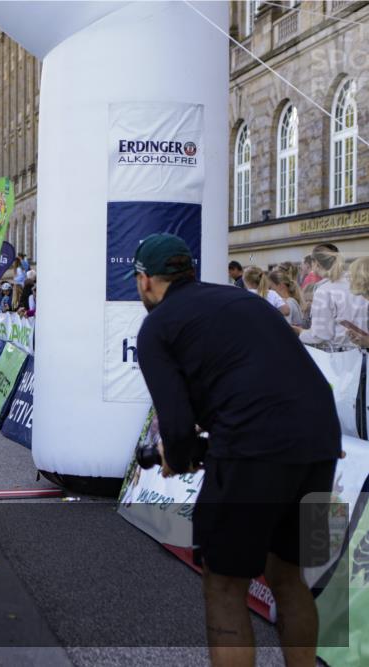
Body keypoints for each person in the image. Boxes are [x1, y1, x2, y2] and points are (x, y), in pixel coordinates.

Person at [128, 233, 341, 667]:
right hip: (321, 438)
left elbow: (177, 427)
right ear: (189, 271)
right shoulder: (245, 301)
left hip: (253, 444)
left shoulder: (158, 328)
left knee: (225, 585)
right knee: (288, 577)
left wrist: (179, 456)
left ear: (145, 280)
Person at [295, 244, 368, 348]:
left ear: (315, 263)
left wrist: (300, 332)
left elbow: (320, 335)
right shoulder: (357, 282)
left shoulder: (324, 290)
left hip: (342, 357)